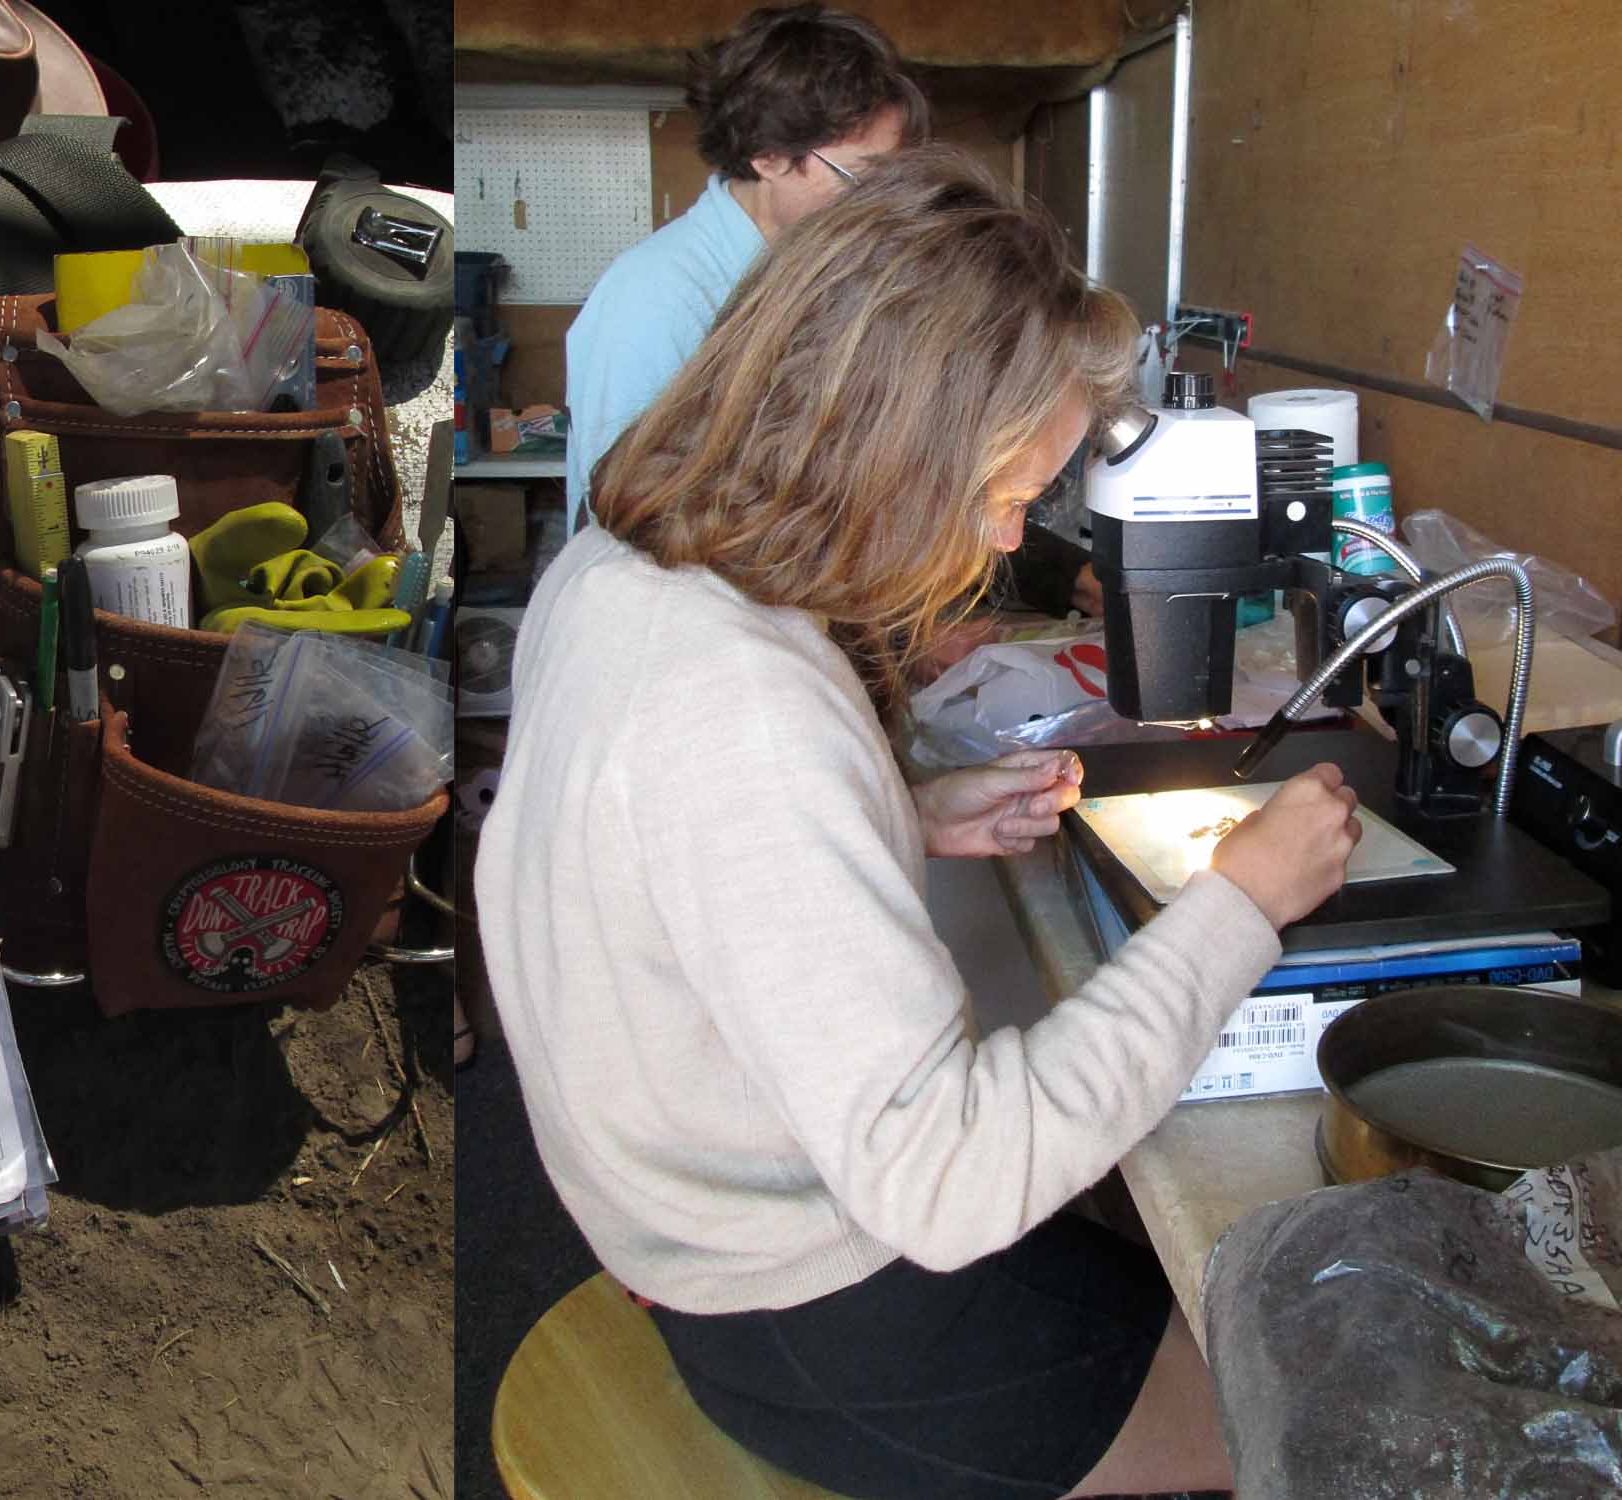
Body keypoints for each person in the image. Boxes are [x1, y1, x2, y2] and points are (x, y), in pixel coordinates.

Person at [484, 148, 1350, 1500]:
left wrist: (896, 813)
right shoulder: (746, 706)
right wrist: (1241, 904)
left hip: (700, 1224)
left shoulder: (624, 566)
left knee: (1172, 1267)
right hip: (810, 1313)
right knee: (1317, 1413)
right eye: (1007, 494)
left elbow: (669, 855)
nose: (1011, 541)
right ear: (895, 449)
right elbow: (947, 1181)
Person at [558, 2, 923, 538]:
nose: (886, 202)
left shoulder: (828, 271)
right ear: (768, 156)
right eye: (862, 176)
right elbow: (632, 517)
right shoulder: (656, 296)